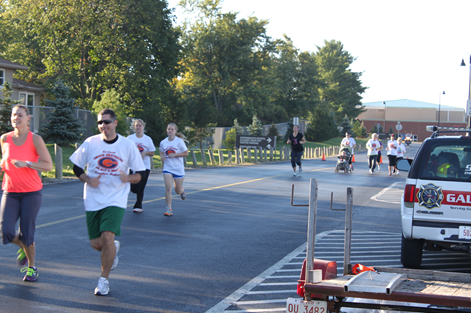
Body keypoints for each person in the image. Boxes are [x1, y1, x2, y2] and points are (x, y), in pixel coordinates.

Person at [69, 108, 145, 296]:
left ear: (115, 123)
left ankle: (103, 280)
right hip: (93, 198)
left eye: (107, 122)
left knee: (107, 237)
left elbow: (140, 175)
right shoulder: (90, 143)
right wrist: (88, 179)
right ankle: (113, 250)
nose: (104, 126)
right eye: (100, 123)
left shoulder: (127, 145)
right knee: (97, 244)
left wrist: (127, 178)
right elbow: (76, 167)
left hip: (116, 199)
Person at [0, 104, 53, 282]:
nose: (16, 118)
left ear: (28, 118)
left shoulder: (35, 139)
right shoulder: (4, 139)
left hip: (31, 193)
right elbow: (5, 160)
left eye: (20, 115)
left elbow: (48, 165)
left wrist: (27, 163)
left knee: (27, 234)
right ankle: (23, 247)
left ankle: (32, 267)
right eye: (14, 115)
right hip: (10, 191)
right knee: (5, 231)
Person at [159, 123, 189, 217]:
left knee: (177, 191)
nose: (170, 131)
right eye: (169, 129)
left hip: (178, 168)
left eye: (172, 129)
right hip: (168, 168)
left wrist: (176, 154)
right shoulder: (163, 142)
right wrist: (162, 156)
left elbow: (186, 153)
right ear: (166, 130)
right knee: (168, 188)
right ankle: (169, 209)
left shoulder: (179, 141)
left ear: (175, 131)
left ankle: (182, 190)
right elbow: (161, 151)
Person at [127, 119, 156, 213]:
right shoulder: (130, 138)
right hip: (132, 166)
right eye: (136, 125)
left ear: (143, 127)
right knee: (133, 188)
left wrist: (145, 153)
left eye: (140, 125)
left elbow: (152, 152)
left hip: (144, 167)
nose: (138, 127)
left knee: (141, 186)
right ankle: (136, 192)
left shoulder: (147, 139)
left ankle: (138, 205)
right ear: (134, 127)